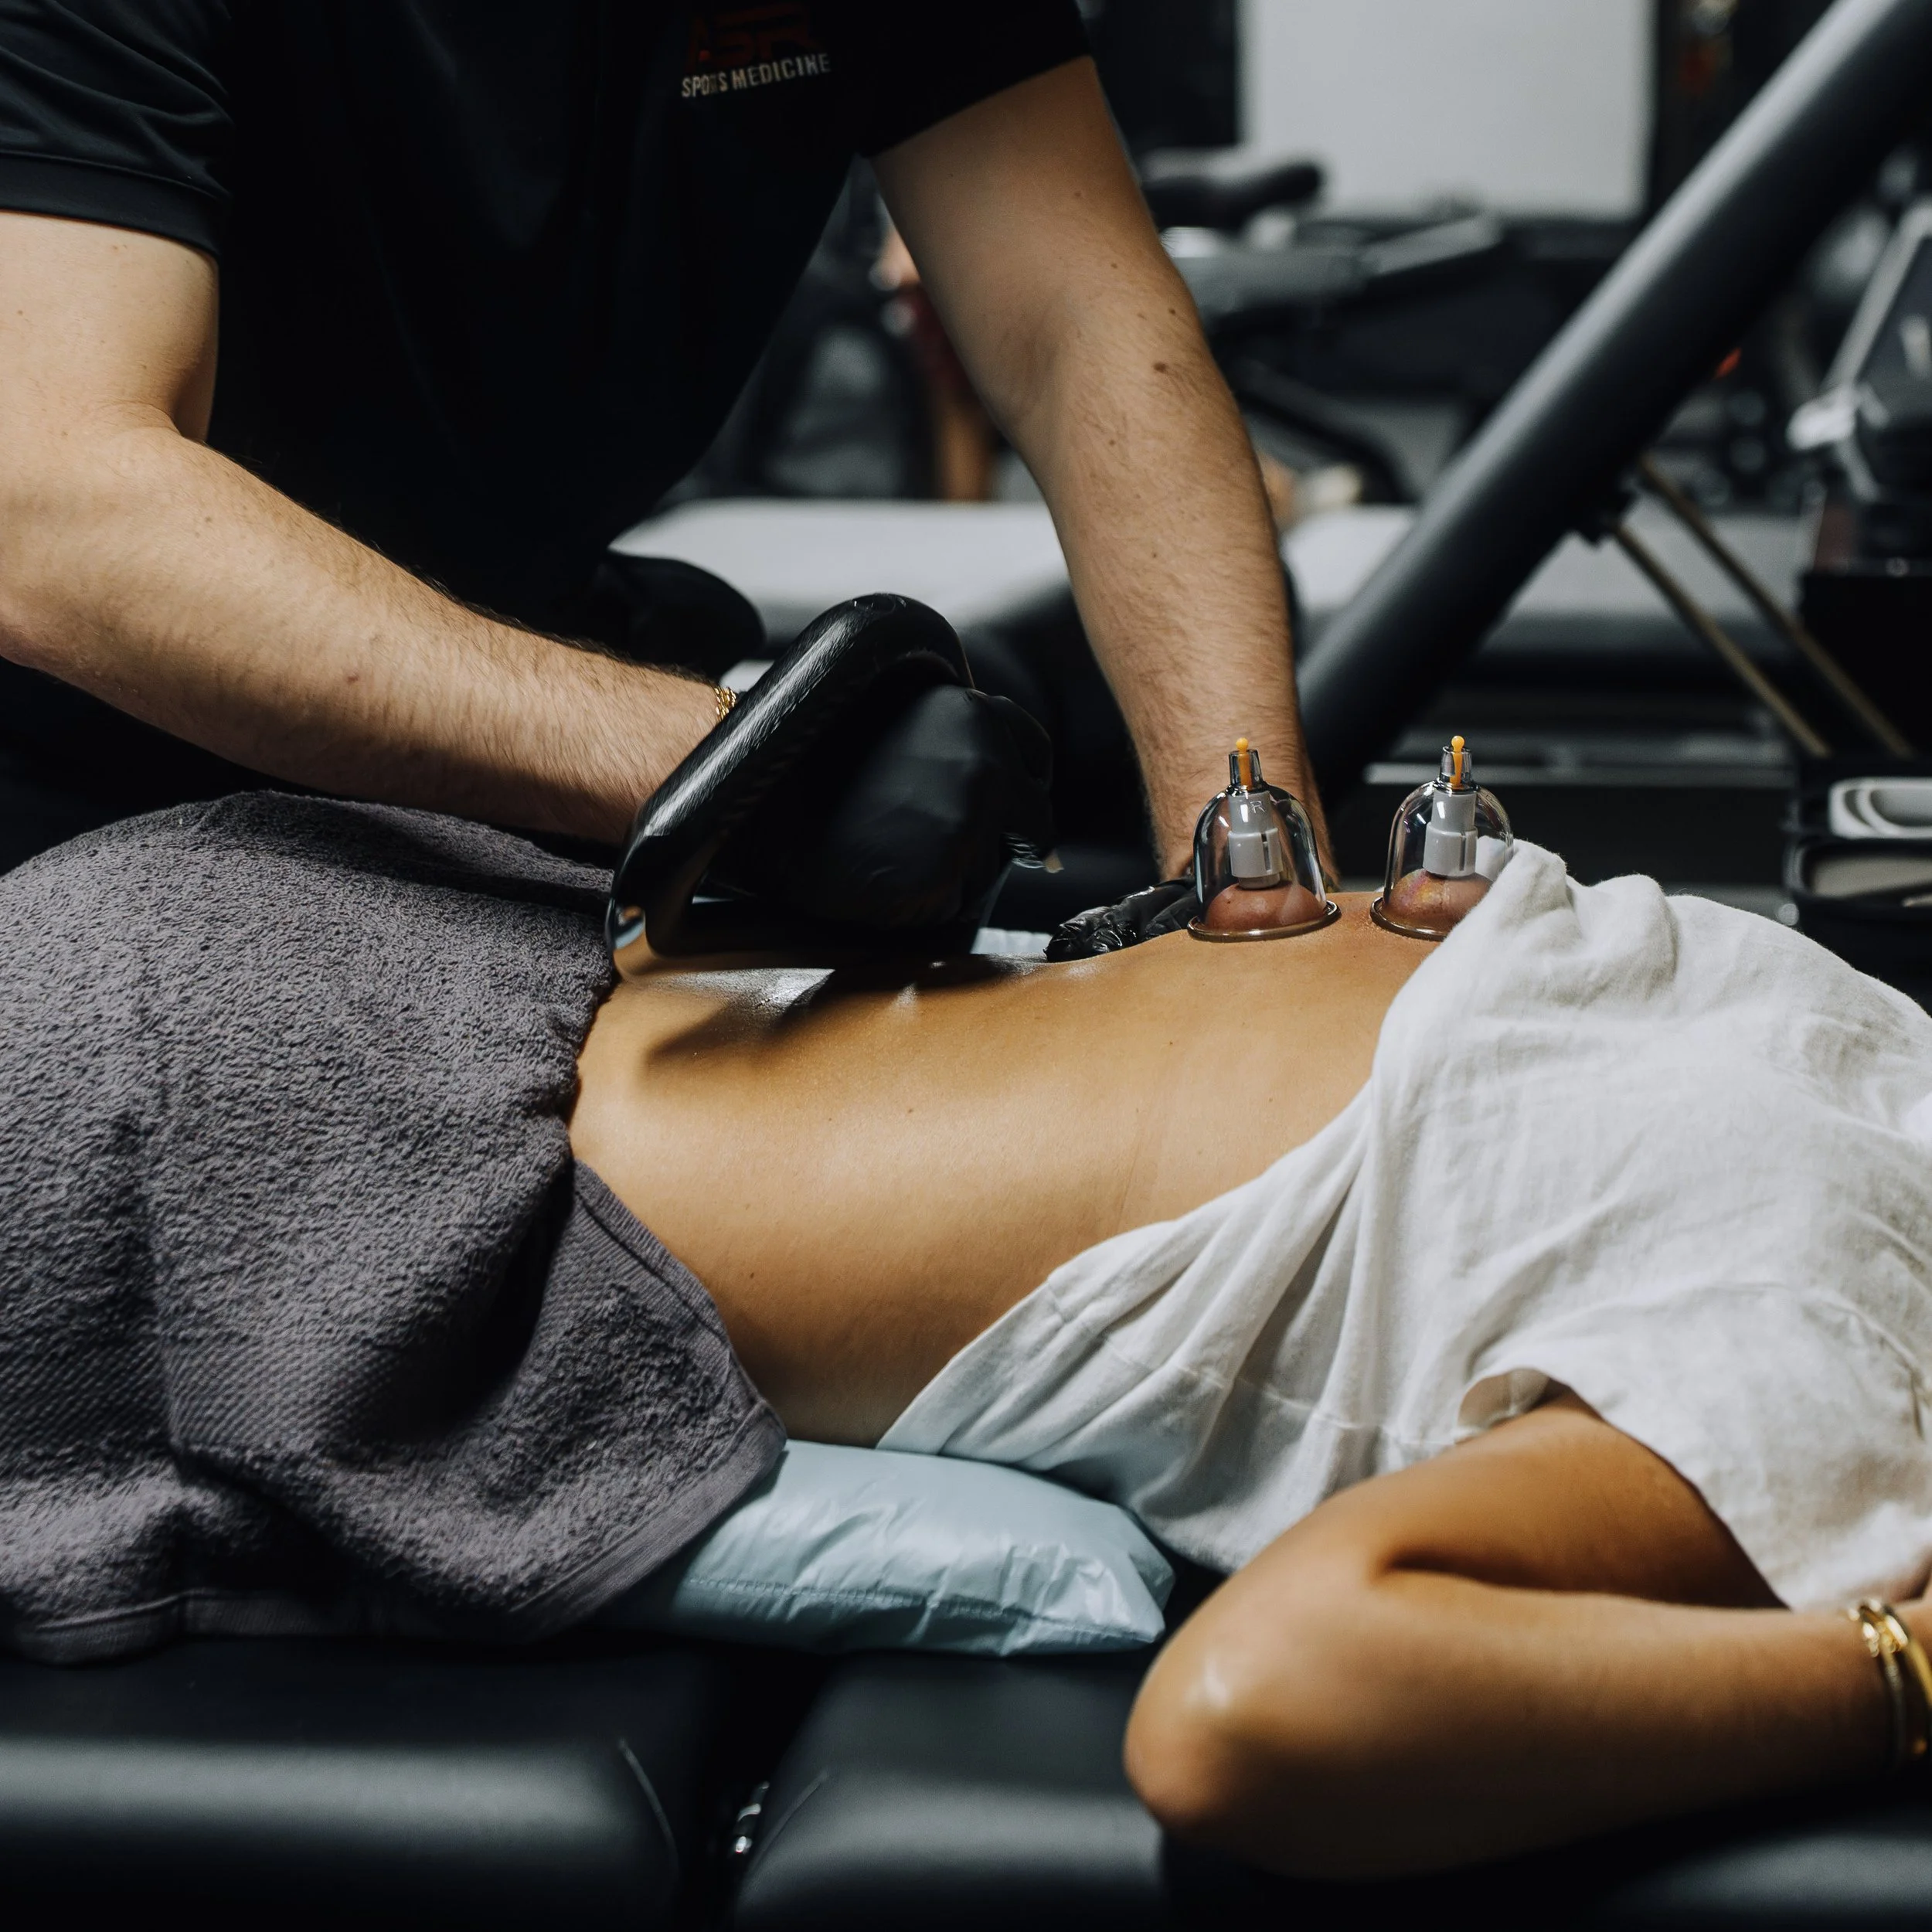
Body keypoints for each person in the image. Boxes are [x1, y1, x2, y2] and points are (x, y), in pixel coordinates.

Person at [5, 787, 1932, 1877]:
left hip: (287, 1002)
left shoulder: (1848, 1192)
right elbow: (1249, 1717)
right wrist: (1898, 1675)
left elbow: (1259, 1717)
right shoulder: (1855, 1322)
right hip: (260, 1133)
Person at [0, 2, 1315, 901]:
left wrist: (1252, 858)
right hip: (87, 800)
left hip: (529, 714)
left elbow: (1078, 324)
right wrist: (740, 764)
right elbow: (55, 507)